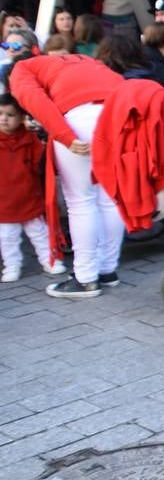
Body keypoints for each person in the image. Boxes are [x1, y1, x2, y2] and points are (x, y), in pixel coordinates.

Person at [8, 50, 126, 297]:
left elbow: (35, 100)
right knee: (109, 197)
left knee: (81, 201)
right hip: (119, 113)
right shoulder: (81, 60)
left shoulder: (21, 70)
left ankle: (85, 278)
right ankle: (107, 270)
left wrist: (64, 136)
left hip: (80, 119)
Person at [0, 93, 66, 282]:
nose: (4, 119)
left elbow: (42, 163)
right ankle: (11, 266)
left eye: (10, 115)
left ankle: (50, 261)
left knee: (40, 233)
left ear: (22, 118)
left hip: (29, 196)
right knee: (7, 238)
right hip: (4, 202)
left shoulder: (30, 139)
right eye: (0, 114)